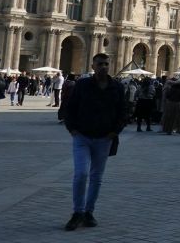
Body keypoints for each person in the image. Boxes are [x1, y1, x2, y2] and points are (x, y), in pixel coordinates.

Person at [62, 53, 127, 231]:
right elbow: (70, 107)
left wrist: (115, 131)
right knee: (81, 174)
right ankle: (77, 212)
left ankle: (89, 212)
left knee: (96, 177)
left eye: (106, 64)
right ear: (93, 66)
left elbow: (123, 111)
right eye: (100, 64)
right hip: (82, 136)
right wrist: (72, 129)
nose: (103, 67)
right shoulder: (83, 85)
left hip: (104, 138)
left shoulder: (117, 87)